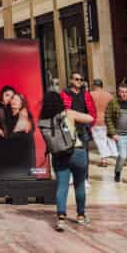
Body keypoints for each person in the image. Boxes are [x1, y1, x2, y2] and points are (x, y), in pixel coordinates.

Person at [39, 91, 93, 232]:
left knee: (62, 186)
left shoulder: (43, 121)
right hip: (77, 152)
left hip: (58, 155)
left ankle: (61, 218)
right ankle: (81, 215)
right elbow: (90, 118)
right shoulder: (68, 113)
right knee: (79, 185)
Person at [61, 73, 97, 147]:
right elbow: (61, 110)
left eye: (81, 79)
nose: (79, 81)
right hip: (71, 126)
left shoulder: (86, 94)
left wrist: (91, 123)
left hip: (83, 127)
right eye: (77, 79)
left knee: (85, 149)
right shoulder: (65, 93)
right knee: (72, 149)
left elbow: (92, 109)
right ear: (71, 81)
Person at [90, 79, 117, 167]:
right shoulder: (109, 95)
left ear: (94, 85)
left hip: (96, 121)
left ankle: (104, 160)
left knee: (100, 141)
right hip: (108, 121)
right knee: (111, 140)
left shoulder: (90, 95)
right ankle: (119, 158)